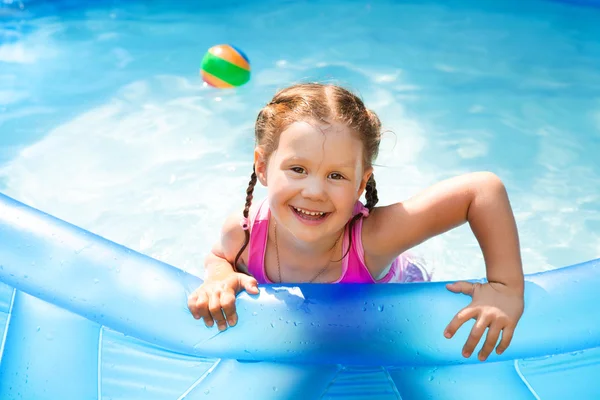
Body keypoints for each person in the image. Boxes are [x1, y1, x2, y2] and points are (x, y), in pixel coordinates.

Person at [187, 83, 524, 362]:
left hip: (387, 313)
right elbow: (219, 257)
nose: (315, 191)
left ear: (361, 183)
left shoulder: (373, 240)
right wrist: (220, 276)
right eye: (298, 169)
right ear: (262, 167)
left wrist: (505, 287)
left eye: (336, 175)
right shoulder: (245, 231)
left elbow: (483, 190)